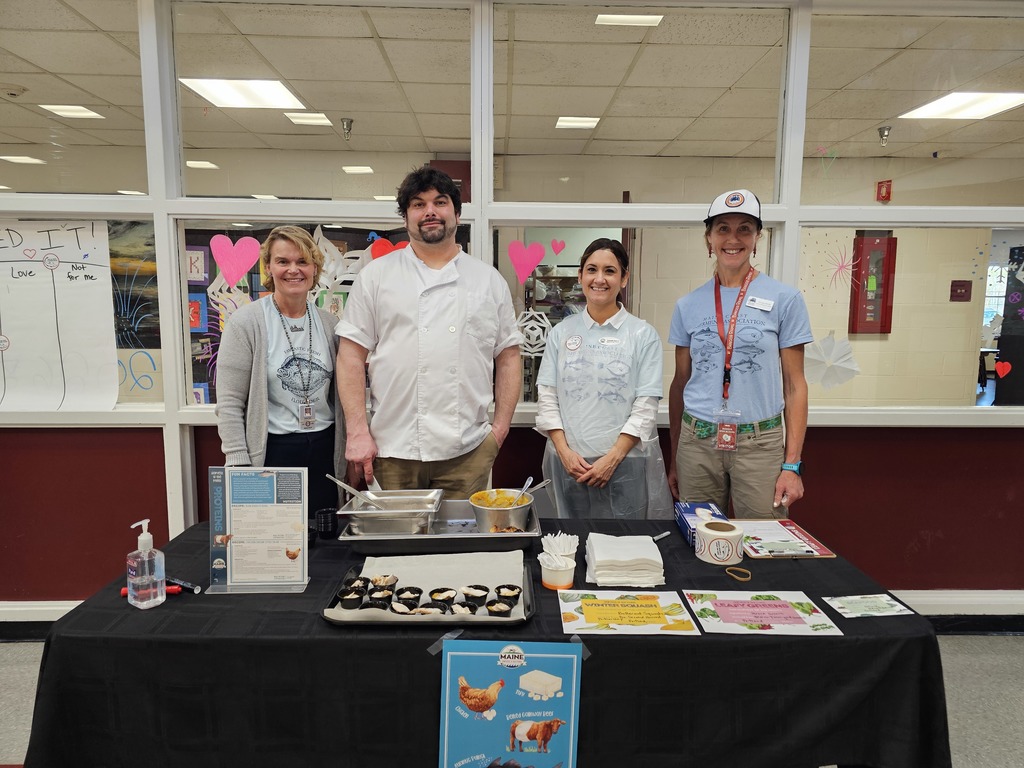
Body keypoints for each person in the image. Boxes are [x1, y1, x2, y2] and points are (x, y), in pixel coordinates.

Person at [335, 167, 523, 498]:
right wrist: (357, 432)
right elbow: (350, 356)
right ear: (406, 216)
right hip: (392, 449)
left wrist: (499, 430)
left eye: (440, 202)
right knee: (396, 533)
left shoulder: (488, 281)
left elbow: (508, 357)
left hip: (468, 452)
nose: (430, 211)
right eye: (418, 204)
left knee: (462, 533)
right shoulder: (376, 276)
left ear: (457, 214)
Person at [667, 189, 812, 519]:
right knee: (700, 537)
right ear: (709, 238)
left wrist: (792, 465)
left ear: (757, 237)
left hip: (759, 444)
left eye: (744, 229)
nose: (733, 239)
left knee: (764, 537)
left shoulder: (785, 299)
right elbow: (680, 384)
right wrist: (675, 455)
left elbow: (795, 386)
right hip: (698, 441)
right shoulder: (687, 305)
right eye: (723, 229)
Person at [535, 238, 672, 519]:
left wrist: (613, 458)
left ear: (624, 278)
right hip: (569, 463)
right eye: (591, 270)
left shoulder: (642, 335)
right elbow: (547, 397)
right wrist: (565, 452)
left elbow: (645, 406)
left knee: (623, 540)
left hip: (625, 463)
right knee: (570, 538)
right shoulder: (561, 332)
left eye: (610, 271)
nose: (599, 279)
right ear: (580, 276)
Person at [215, 225, 346, 514]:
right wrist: (238, 461)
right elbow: (229, 401)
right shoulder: (246, 323)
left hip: (325, 449)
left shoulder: (330, 324)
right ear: (269, 268)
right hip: (273, 451)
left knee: (324, 534)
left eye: (302, 261)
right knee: (277, 535)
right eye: (283, 261)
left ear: (314, 268)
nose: (293, 270)